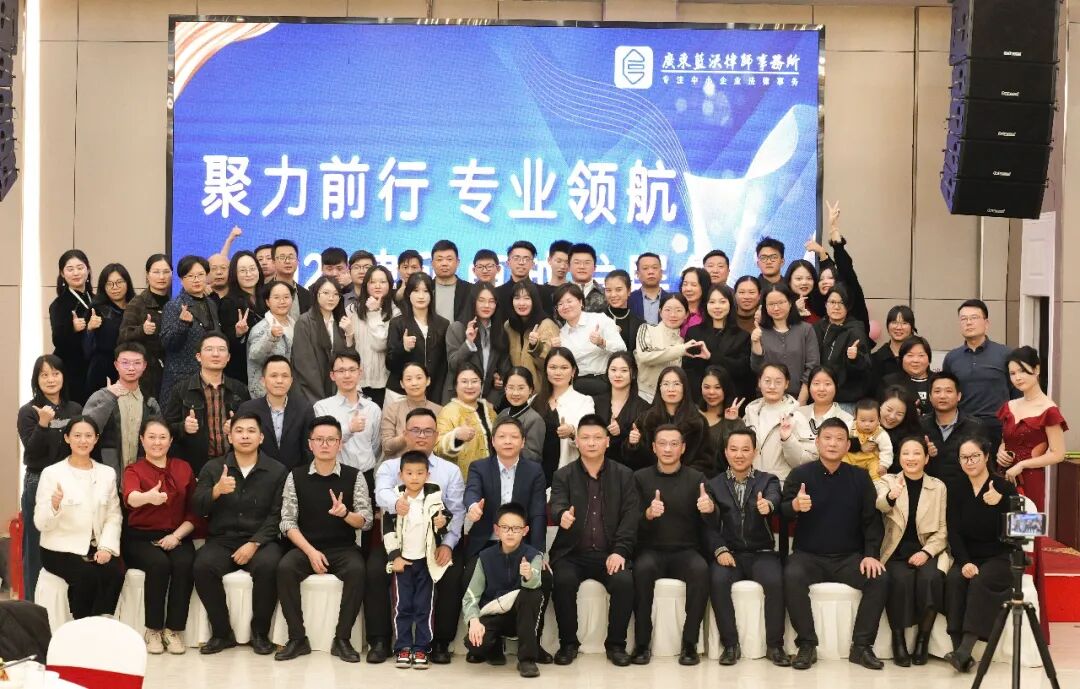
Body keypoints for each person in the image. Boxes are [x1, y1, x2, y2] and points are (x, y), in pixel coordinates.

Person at [781, 416, 888, 670]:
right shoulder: (800, 475)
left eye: (839, 439)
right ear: (817, 442)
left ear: (847, 445)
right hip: (808, 555)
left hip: (848, 558)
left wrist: (871, 554)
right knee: (791, 574)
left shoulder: (860, 477)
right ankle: (807, 644)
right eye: (827, 438)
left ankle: (861, 647)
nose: (833, 443)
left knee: (879, 578)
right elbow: (783, 512)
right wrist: (795, 505)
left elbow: (872, 521)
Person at [367, 408, 465, 665]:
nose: (421, 436)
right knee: (375, 569)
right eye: (415, 430)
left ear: (437, 435)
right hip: (397, 540)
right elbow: (380, 494)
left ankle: (440, 641)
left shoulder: (449, 471)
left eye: (428, 431)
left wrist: (447, 544)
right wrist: (397, 503)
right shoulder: (390, 466)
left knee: (452, 571)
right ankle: (380, 640)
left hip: (434, 541)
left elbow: (457, 511)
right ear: (405, 433)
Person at [275, 415, 371, 663]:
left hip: (343, 547)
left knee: (358, 570)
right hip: (307, 546)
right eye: (319, 439)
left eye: (331, 440)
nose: (325, 444)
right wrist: (310, 552)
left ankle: (342, 639)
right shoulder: (295, 476)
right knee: (285, 568)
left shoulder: (355, 476)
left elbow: (366, 520)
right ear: (310, 444)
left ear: (340, 444)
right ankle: (297, 638)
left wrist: (346, 514)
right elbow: (287, 522)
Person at [191, 413, 286, 655]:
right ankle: (222, 633)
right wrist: (216, 491)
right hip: (222, 539)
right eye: (239, 431)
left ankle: (260, 633)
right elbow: (197, 507)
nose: (245, 436)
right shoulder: (214, 468)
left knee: (269, 566)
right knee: (202, 566)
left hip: (261, 540)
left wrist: (254, 543)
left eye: (251, 431)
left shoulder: (277, 471)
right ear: (230, 437)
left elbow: (277, 515)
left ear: (261, 437)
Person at [548, 414, 638, 667]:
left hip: (610, 552)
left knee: (623, 581)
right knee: (563, 581)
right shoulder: (563, 475)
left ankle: (616, 645)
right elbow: (557, 503)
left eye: (597, 437)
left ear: (607, 442)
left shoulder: (624, 475)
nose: (591, 443)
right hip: (572, 553)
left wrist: (620, 550)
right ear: (576, 441)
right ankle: (568, 643)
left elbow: (630, 516)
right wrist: (562, 515)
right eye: (585, 438)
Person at [705, 429, 789, 666]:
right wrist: (720, 550)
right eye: (733, 449)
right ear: (725, 452)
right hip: (729, 553)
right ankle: (730, 645)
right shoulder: (713, 485)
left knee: (775, 582)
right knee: (717, 580)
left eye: (745, 449)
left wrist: (768, 505)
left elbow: (775, 497)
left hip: (762, 552)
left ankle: (775, 646)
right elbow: (707, 527)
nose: (739, 455)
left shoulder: (768, 480)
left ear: (755, 452)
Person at [630, 424, 711, 665]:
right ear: (653, 448)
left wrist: (710, 509)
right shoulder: (639, 478)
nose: (668, 449)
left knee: (701, 570)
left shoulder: (697, 479)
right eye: (662, 444)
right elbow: (630, 522)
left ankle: (690, 644)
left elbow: (711, 521)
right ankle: (641, 644)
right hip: (651, 550)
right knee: (641, 570)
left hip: (686, 551)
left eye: (674, 444)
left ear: (683, 448)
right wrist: (648, 514)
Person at [121, 418, 198, 654]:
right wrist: (148, 498)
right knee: (158, 564)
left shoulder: (183, 468)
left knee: (184, 563)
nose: (157, 442)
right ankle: (153, 629)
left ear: (171, 440)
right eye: (151, 437)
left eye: (162, 437)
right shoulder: (133, 469)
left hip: (177, 534)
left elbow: (194, 511)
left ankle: (173, 630)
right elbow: (131, 497)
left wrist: (176, 536)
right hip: (141, 536)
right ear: (142, 440)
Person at [34, 416, 123, 618]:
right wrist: (54, 506)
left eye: (88, 436)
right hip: (59, 547)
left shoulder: (107, 473)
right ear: (67, 438)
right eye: (77, 435)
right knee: (87, 575)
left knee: (114, 573)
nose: (83, 441)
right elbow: (41, 523)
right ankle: (81, 625)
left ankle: (101, 622)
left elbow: (113, 515)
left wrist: (106, 547)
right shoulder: (52, 473)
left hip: (95, 545)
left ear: (96, 439)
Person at [943, 435, 1018, 673]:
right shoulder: (956, 488)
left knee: (981, 581)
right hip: (969, 555)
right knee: (954, 579)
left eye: (975, 456)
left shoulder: (1004, 486)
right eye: (964, 457)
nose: (970, 462)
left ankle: (965, 650)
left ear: (986, 457)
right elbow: (954, 531)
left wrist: (1002, 502)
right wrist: (964, 562)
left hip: (1000, 556)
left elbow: (1017, 529)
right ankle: (959, 651)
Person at [875, 436, 948, 667]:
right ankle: (898, 641)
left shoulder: (938, 486)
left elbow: (943, 529)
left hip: (927, 549)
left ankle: (922, 641)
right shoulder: (887, 481)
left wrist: (926, 552)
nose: (911, 458)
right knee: (899, 580)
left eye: (917, 453)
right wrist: (891, 496)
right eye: (906, 453)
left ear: (926, 458)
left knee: (931, 579)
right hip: (895, 550)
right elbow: (879, 504)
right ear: (899, 458)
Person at [18, 355, 82, 602]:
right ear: (36, 380)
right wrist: (43, 424)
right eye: (44, 375)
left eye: (55, 373)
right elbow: (33, 452)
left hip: (70, 483)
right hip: (38, 483)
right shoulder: (28, 412)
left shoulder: (74, 409)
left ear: (63, 376)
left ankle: (65, 609)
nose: (51, 379)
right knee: (35, 549)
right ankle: (32, 610)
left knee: (70, 545)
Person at [383, 451, 454, 669]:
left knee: (425, 606)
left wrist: (442, 523)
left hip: (426, 562)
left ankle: (422, 648)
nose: (414, 477)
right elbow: (387, 531)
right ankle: (403, 647)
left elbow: (444, 521)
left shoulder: (434, 496)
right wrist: (395, 557)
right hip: (403, 563)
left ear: (427, 475)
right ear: (401, 475)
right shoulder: (395, 499)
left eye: (420, 473)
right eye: (409, 473)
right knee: (402, 606)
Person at [462, 502, 546, 678]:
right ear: (497, 530)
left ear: (525, 531)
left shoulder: (533, 556)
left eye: (516, 528)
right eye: (505, 527)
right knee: (475, 646)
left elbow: (536, 583)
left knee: (532, 593)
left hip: (520, 617)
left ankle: (527, 659)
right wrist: (474, 621)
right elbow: (470, 597)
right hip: (493, 615)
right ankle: (494, 646)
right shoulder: (485, 557)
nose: (510, 532)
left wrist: (528, 575)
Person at [163, 331, 250, 476]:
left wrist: (238, 427)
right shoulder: (181, 390)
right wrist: (183, 427)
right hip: (195, 468)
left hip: (233, 465)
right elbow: (166, 428)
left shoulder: (240, 390)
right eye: (209, 349)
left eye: (221, 349)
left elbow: (253, 427)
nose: (215, 354)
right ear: (198, 356)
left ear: (228, 357)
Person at [463, 417, 547, 558]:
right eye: (502, 436)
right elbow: (472, 490)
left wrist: (538, 552)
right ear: (493, 441)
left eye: (514, 437)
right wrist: (473, 506)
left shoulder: (534, 471)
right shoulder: (479, 467)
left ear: (523, 442)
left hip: (521, 545)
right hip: (485, 542)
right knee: (473, 572)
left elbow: (538, 513)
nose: (508, 441)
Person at [995, 346, 1067, 510]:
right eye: (1012, 373)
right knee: (1000, 523)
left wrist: (1022, 465)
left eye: (1022, 371)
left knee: (1027, 524)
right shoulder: (1009, 406)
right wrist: (1000, 451)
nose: (1017, 377)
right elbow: (1006, 441)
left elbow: (1058, 454)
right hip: (1004, 475)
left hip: (1031, 479)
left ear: (1036, 369)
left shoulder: (1048, 410)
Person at [82, 342, 162, 482]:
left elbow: (159, 440)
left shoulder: (150, 403)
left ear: (144, 366)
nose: (131, 368)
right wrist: (109, 398)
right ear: (116, 365)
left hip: (141, 480)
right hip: (105, 478)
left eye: (137, 363)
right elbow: (85, 431)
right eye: (125, 363)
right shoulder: (101, 396)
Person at [942, 299, 1014, 452]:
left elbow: (1017, 394)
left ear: (986, 323)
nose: (968, 323)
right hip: (963, 427)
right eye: (964, 319)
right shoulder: (952, 358)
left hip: (998, 427)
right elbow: (947, 393)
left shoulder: (1005, 354)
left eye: (974, 318)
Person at [313, 351, 382, 497]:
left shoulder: (373, 409)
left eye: (352, 370)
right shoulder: (322, 407)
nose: (347, 375)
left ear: (360, 373)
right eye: (341, 371)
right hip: (334, 476)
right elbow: (325, 442)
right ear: (332, 375)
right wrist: (350, 428)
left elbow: (376, 446)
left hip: (366, 476)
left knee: (366, 513)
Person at [626, 367, 714, 476]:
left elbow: (706, 461)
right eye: (666, 384)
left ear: (684, 388)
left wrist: (685, 477)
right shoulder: (646, 419)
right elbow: (634, 461)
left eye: (676, 384)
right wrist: (633, 444)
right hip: (652, 480)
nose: (671, 389)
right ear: (659, 388)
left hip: (687, 481)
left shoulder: (698, 421)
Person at [810, 201, 873, 345]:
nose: (825, 281)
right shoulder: (820, 306)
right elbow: (828, 267)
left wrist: (833, 229)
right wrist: (821, 252)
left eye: (830, 278)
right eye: (821, 279)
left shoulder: (851, 293)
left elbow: (845, 266)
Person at [236, 355, 315, 469]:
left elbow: (309, 448)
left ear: (291, 381)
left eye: (285, 376)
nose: (279, 381)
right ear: (263, 381)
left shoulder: (304, 409)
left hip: (294, 475)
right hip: (258, 474)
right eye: (274, 376)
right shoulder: (248, 409)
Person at [160, 256, 221, 401]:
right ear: (182, 279)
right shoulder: (174, 306)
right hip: (181, 380)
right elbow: (167, 343)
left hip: (209, 376)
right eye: (191, 276)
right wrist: (183, 324)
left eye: (200, 275)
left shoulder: (211, 303)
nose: (196, 280)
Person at [744, 363, 815, 484]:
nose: (772, 386)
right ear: (759, 382)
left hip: (781, 485)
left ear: (786, 384)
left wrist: (787, 440)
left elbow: (808, 460)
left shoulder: (796, 416)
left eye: (778, 382)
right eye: (767, 381)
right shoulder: (750, 413)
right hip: (750, 484)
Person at [387, 272, 451, 404]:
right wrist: (403, 348)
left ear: (432, 294)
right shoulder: (397, 323)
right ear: (408, 294)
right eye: (416, 291)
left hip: (432, 393)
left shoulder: (443, 324)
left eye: (425, 291)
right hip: (400, 393)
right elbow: (389, 363)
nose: (421, 296)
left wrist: (438, 394)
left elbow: (443, 366)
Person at [532, 348, 594, 484]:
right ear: (546, 370)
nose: (558, 372)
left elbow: (589, 436)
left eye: (564, 368)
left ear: (573, 371)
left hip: (565, 473)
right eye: (553, 367)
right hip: (534, 473)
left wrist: (572, 432)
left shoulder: (584, 401)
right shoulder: (534, 401)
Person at [683, 283, 753, 402]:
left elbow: (742, 369)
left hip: (732, 398)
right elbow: (690, 370)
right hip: (700, 399)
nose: (717, 307)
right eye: (712, 302)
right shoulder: (694, 333)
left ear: (731, 304)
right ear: (705, 305)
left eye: (722, 302)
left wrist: (711, 357)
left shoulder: (742, 336)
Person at [751, 283, 820, 404]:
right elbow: (757, 368)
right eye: (771, 304)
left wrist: (801, 401)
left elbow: (812, 366)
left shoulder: (806, 329)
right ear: (765, 307)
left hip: (799, 398)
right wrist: (755, 342)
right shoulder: (760, 331)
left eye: (781, 302)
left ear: (790, 303)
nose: (776, 308)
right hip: (767, 399)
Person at [553, 283, 625, 396]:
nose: (565, 306)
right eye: (560, 304)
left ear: (581, 302)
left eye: (569, 301)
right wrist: (556, 352)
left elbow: (622, 348)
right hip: (576, 385)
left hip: (603, 381)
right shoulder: (561, 334)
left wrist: (602, 342)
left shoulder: (600, 319)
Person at [445, 281, 510, 404]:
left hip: (486, 402)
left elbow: (504, 372)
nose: (487, 305)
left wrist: (490, 402)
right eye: (481, 300)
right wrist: (468, 344)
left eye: (491, 301)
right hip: (457, 399)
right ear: (473, 302)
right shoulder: (457, 328)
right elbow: (453, 365)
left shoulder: (500, 333)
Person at [119, 253, 172, 399]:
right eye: (156, 272)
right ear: (147, 275)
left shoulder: (174, 303)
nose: (161, 277)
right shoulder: (137, 303)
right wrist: (142, 330)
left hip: (169, 372)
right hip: (146, 375)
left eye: (166, 272)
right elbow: (123, 335)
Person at [291, 276, 350, 404]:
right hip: (311, 393)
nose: (331, 298)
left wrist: (350, 333)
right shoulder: (304, 321)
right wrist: (322, 400)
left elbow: (348, 356)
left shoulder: (341, 321)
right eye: (326, 293)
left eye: (336, 294)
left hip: (337, 390)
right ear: (316, 294)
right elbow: (305, 365)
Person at [921, 372, 985, 490]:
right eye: (937, 391)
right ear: (930, 397)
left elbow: (985, 465)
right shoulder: (920, 425)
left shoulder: (975, 426)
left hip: (965, 492)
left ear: (959, 396)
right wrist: (924, 454)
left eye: (949, 391)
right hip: (929, 492)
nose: (942, 396)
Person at [49, 249, 95, 404]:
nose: (76, 273)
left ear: (88, 270)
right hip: (72, 371)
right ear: (62, 274)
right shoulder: (58, 305)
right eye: (70, 269)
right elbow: (57, 340)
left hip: (95, 368)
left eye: (80, 268)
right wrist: (72, 328)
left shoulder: (97, 299)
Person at [813, 285, 870, 410]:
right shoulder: (817, 327)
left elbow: (865, 367)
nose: (836, 307)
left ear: (848, 306)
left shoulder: (856, 330)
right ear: (826, 304)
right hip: (818, 395)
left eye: (842, 303)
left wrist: (855, 358)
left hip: (845, 400)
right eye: (832, 302)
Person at [435, 364, 498, 474]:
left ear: (481, 384)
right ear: (456, 385)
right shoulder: (448, 412)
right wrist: (456, 436)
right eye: (464, 382)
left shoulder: (489, 411)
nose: (470, 386)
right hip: (464, 477)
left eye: (474, 381)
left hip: (492, 475)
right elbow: (438, 448)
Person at [350, 264, 399, 406]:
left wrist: (375, 313)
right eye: (372, 282)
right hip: (357, 380)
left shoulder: (396, 313)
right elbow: (350, 346)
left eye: (383, 282)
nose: (377, 286)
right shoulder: (354, 310)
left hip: (383, 381)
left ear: (390, 285)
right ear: (366, 285)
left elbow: (380, 345)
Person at [634, 293, 695, 404]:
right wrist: (680, 350)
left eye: (678, 310)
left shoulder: (685, 341)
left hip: (673, 399)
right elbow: (644, 355)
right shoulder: (647, 329)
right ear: (660, 312)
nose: (673, 315)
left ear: (686, 314)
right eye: (667, 310)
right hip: (644, 396)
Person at [503, 279, 559, 397]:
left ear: (534, 300)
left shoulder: (546, 325)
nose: (521, 303)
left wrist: (536, 346)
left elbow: (550, 365)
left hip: (540, 394)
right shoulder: (508, 326)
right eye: (517, 298)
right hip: (515, 393)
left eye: (527, 298)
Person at [216, 251, 264, 388]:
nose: (248, 274)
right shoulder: (229, 303)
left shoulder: (267, 297)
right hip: (242, 372)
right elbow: (226, 341)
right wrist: (238, 334)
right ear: (234, 274)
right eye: (242, 270)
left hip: (265, 368)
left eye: (252, 269)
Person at [592, 352, 649, 467]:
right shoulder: (594, 402)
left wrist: (623, 433)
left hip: (629, 469)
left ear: (633, 374)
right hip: (596, 467)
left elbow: (646, 451)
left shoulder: (644, 408)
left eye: (624, 370)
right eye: (613, 370)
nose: (617, 375)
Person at [85, 263, 134, 392]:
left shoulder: (136, 306)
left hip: (131, 369)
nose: (115, 287)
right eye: (109, 284)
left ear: (127, 283)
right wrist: (89, 329)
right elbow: (86, 350)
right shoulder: (96, 310)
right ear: (103, 286)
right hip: (102, 371)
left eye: (119, 282)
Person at [381, 362, 443, 459]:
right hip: (399, 464)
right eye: (409, 379)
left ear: (428, 381)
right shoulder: (393, 409)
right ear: (402, 383)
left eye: (419, 378)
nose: (414, 383)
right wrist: (406, 436)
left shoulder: (439, 410)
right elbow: (386, 448)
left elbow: (442, 447)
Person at [246, 280, 296, 397]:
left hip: (290, 391)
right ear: (268, 302)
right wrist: (271, 337)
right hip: (265, 394)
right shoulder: (261, 328)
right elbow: (254, 355)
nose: (282, 301)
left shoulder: (295, 324)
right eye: (276, 298)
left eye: (286, 297)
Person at [697, 366, 746, 470]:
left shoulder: (736, 422)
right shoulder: (692, 414)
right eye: (706, 387)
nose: (711, 392)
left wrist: (730, 423)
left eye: (717, 387)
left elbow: (734, 455)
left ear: (726, 388)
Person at [497, 367, 545, 462]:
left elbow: (534, 456)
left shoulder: (535, 419)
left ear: (531, 390)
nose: (515, 393)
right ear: (505, 389)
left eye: (521, 388)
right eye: (511, 388)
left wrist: (507, 447)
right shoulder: (502, 414)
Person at [798, 365, 854, 439]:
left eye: (827, 384)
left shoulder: (846, 420)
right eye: (816, 383)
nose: (821, 389)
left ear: (836, 387)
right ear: (809, 387)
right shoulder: (798, 414)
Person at [843, 398, 893, 479]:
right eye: (863, 420)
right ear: (855, 416)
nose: (867, 424)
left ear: (879, 418)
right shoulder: (849, 426)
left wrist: (884, 465)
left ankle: (877, 483)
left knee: (877, 471)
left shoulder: (881, 433)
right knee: (841, 463)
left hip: (869, 459)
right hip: (850, 456)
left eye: (871, 421)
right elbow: (841, 440)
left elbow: (887, 450)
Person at [495, 240, 542, 321]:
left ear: (533, 265)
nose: (521, 262)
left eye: (526, 259)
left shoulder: (542, 292)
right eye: (516, 258)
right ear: (508, 263)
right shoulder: (497, 293)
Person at [871, 305, 917, 384]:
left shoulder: (918, 358)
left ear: (911, 328)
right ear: (887, 326)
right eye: (894, 322)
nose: (899, 327)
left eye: (904, 323)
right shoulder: (876, 359)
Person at [879, 386, 923, 466]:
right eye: (889, 410)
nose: (892, 416)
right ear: (880, 406)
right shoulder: (862, 424)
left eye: (899, 414)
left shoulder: (910, 439)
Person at [603, 269, 644, 352]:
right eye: (608, 290)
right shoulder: (597, 317)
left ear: (629, 291)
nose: (613, 295)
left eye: (618, 290)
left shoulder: (639, 324)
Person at [430, 239, 470, 323]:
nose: (444, 263)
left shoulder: (470, 289)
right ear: (432, 263)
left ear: (457, 262)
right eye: (439, 259)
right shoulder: (426, 288)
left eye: (449, 259)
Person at [270, 239, 313, 317]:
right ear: (273, 262)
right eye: (282, 257)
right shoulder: (263, 293)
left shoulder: (307, 295)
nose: (287, 261)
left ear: (297, 261)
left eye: (291, 257)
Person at [629, 252, 668, 325]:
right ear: (637, 274)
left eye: (654, 267)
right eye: (645, 268)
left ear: (661, 273)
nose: (651, 272)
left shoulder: (671, 299)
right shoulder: (629, 300)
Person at [568, 243, 606, 313]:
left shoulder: (606, 295)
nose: (582, 266)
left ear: (594, 268)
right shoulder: (559, 294)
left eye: (587, 263)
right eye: (577, 262)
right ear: (569, 267)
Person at [785, 259, 822, 324]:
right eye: (799, 279)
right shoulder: (782, 304)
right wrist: (795, 312)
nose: (804, 282)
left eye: (809, 278)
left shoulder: (819, 301)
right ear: (789, 281)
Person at [541, 239, 572, 314]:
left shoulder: (575, 291)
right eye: (558, 261)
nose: (562, 266)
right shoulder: (539, 292)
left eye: (567, 262)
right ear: (549, 260)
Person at [678, 267, 710, 337]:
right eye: (685, 284)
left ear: (704, 287)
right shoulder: (674, 310)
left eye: (694, 285)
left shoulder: (710, 313)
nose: (688, 289)